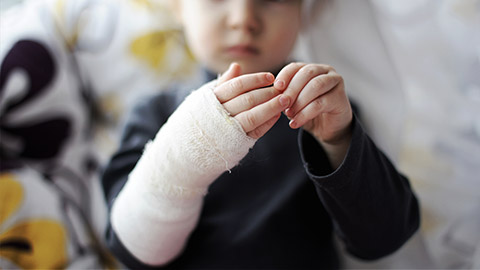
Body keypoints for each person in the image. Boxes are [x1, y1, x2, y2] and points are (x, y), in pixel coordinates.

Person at [101, 0, 420, 268]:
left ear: (304, 12)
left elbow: (384, 238)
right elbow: (134, 252)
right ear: (178, 7)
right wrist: (186, 152)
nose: (244, 20)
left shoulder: (327, 112)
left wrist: (338, 140)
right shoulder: (155, 114)